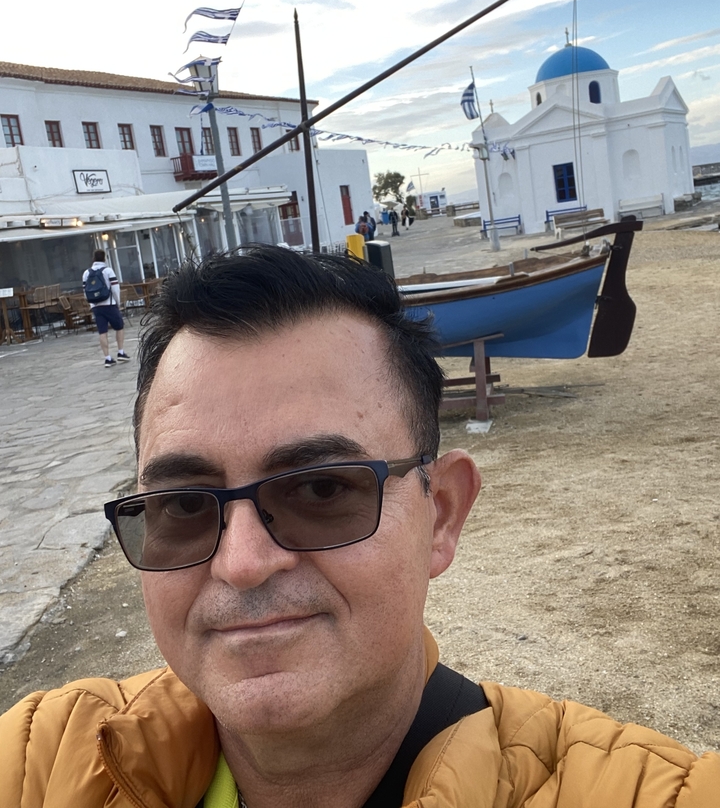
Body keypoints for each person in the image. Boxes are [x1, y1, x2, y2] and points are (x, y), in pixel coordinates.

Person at [1, 247, 717, 807]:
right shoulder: (46, 760)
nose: (243, 563)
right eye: (186, 506)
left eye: (319, 489)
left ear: (441, 514)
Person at [82, 248, 130, 367]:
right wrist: (117, 302)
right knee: (119, 327)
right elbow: (115, 289)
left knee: (102, 332)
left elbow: (85, 291)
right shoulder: (108, 271)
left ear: (93, 259)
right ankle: (120, 352)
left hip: (96, 307)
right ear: (104, 258)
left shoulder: (86, 273)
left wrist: (91, 304)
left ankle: (107, 358)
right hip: (109, 304)